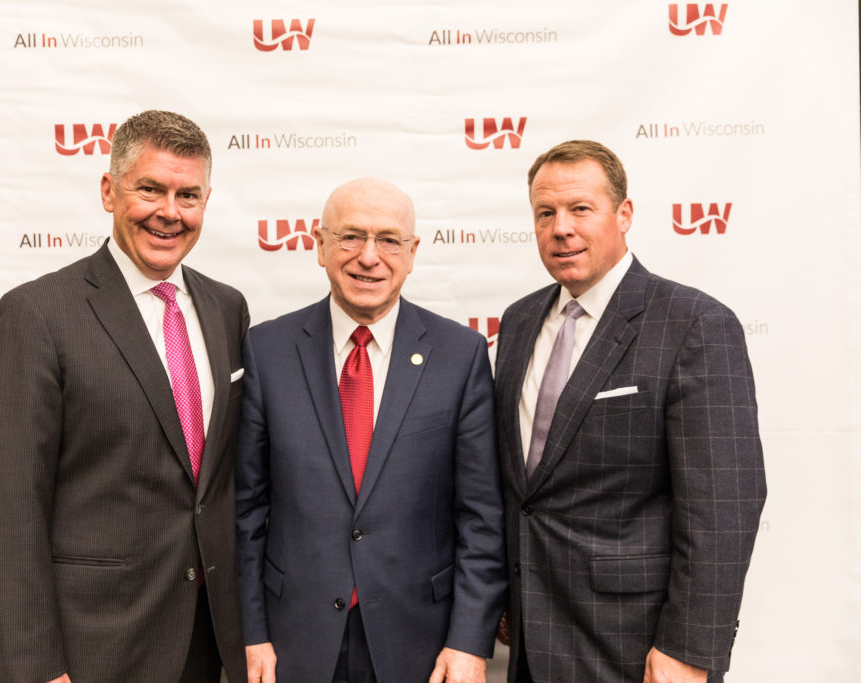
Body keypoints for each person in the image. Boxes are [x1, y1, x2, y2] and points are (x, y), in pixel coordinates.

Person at [0, 110, 249, 683]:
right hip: (85, 652)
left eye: (188, 195)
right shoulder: (38, 314)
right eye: (150, 189)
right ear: (108, 190)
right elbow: (7, 508)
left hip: (206, 645)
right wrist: (35, 668)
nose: (169, 212)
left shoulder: (228, 309)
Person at [495, 140, 766, 683]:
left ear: (624, 214)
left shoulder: (694, 323)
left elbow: (724, 503)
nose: (561, 228)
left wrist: (689, 649)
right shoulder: (519, 321)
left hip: (635, 646)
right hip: (528, 635)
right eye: (545, 213)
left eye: (580, 209)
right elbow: (522, 491)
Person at [235, 178, 507, 682]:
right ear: (319, 246)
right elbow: (247, 510)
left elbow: (481, 517)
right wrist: (251, 633)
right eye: (350, 237)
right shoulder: (266, 350)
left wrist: (469, 641)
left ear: (412, 252)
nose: (369, 256)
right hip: (293, 641)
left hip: (421, 643)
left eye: (388, 239)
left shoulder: (460, 353)